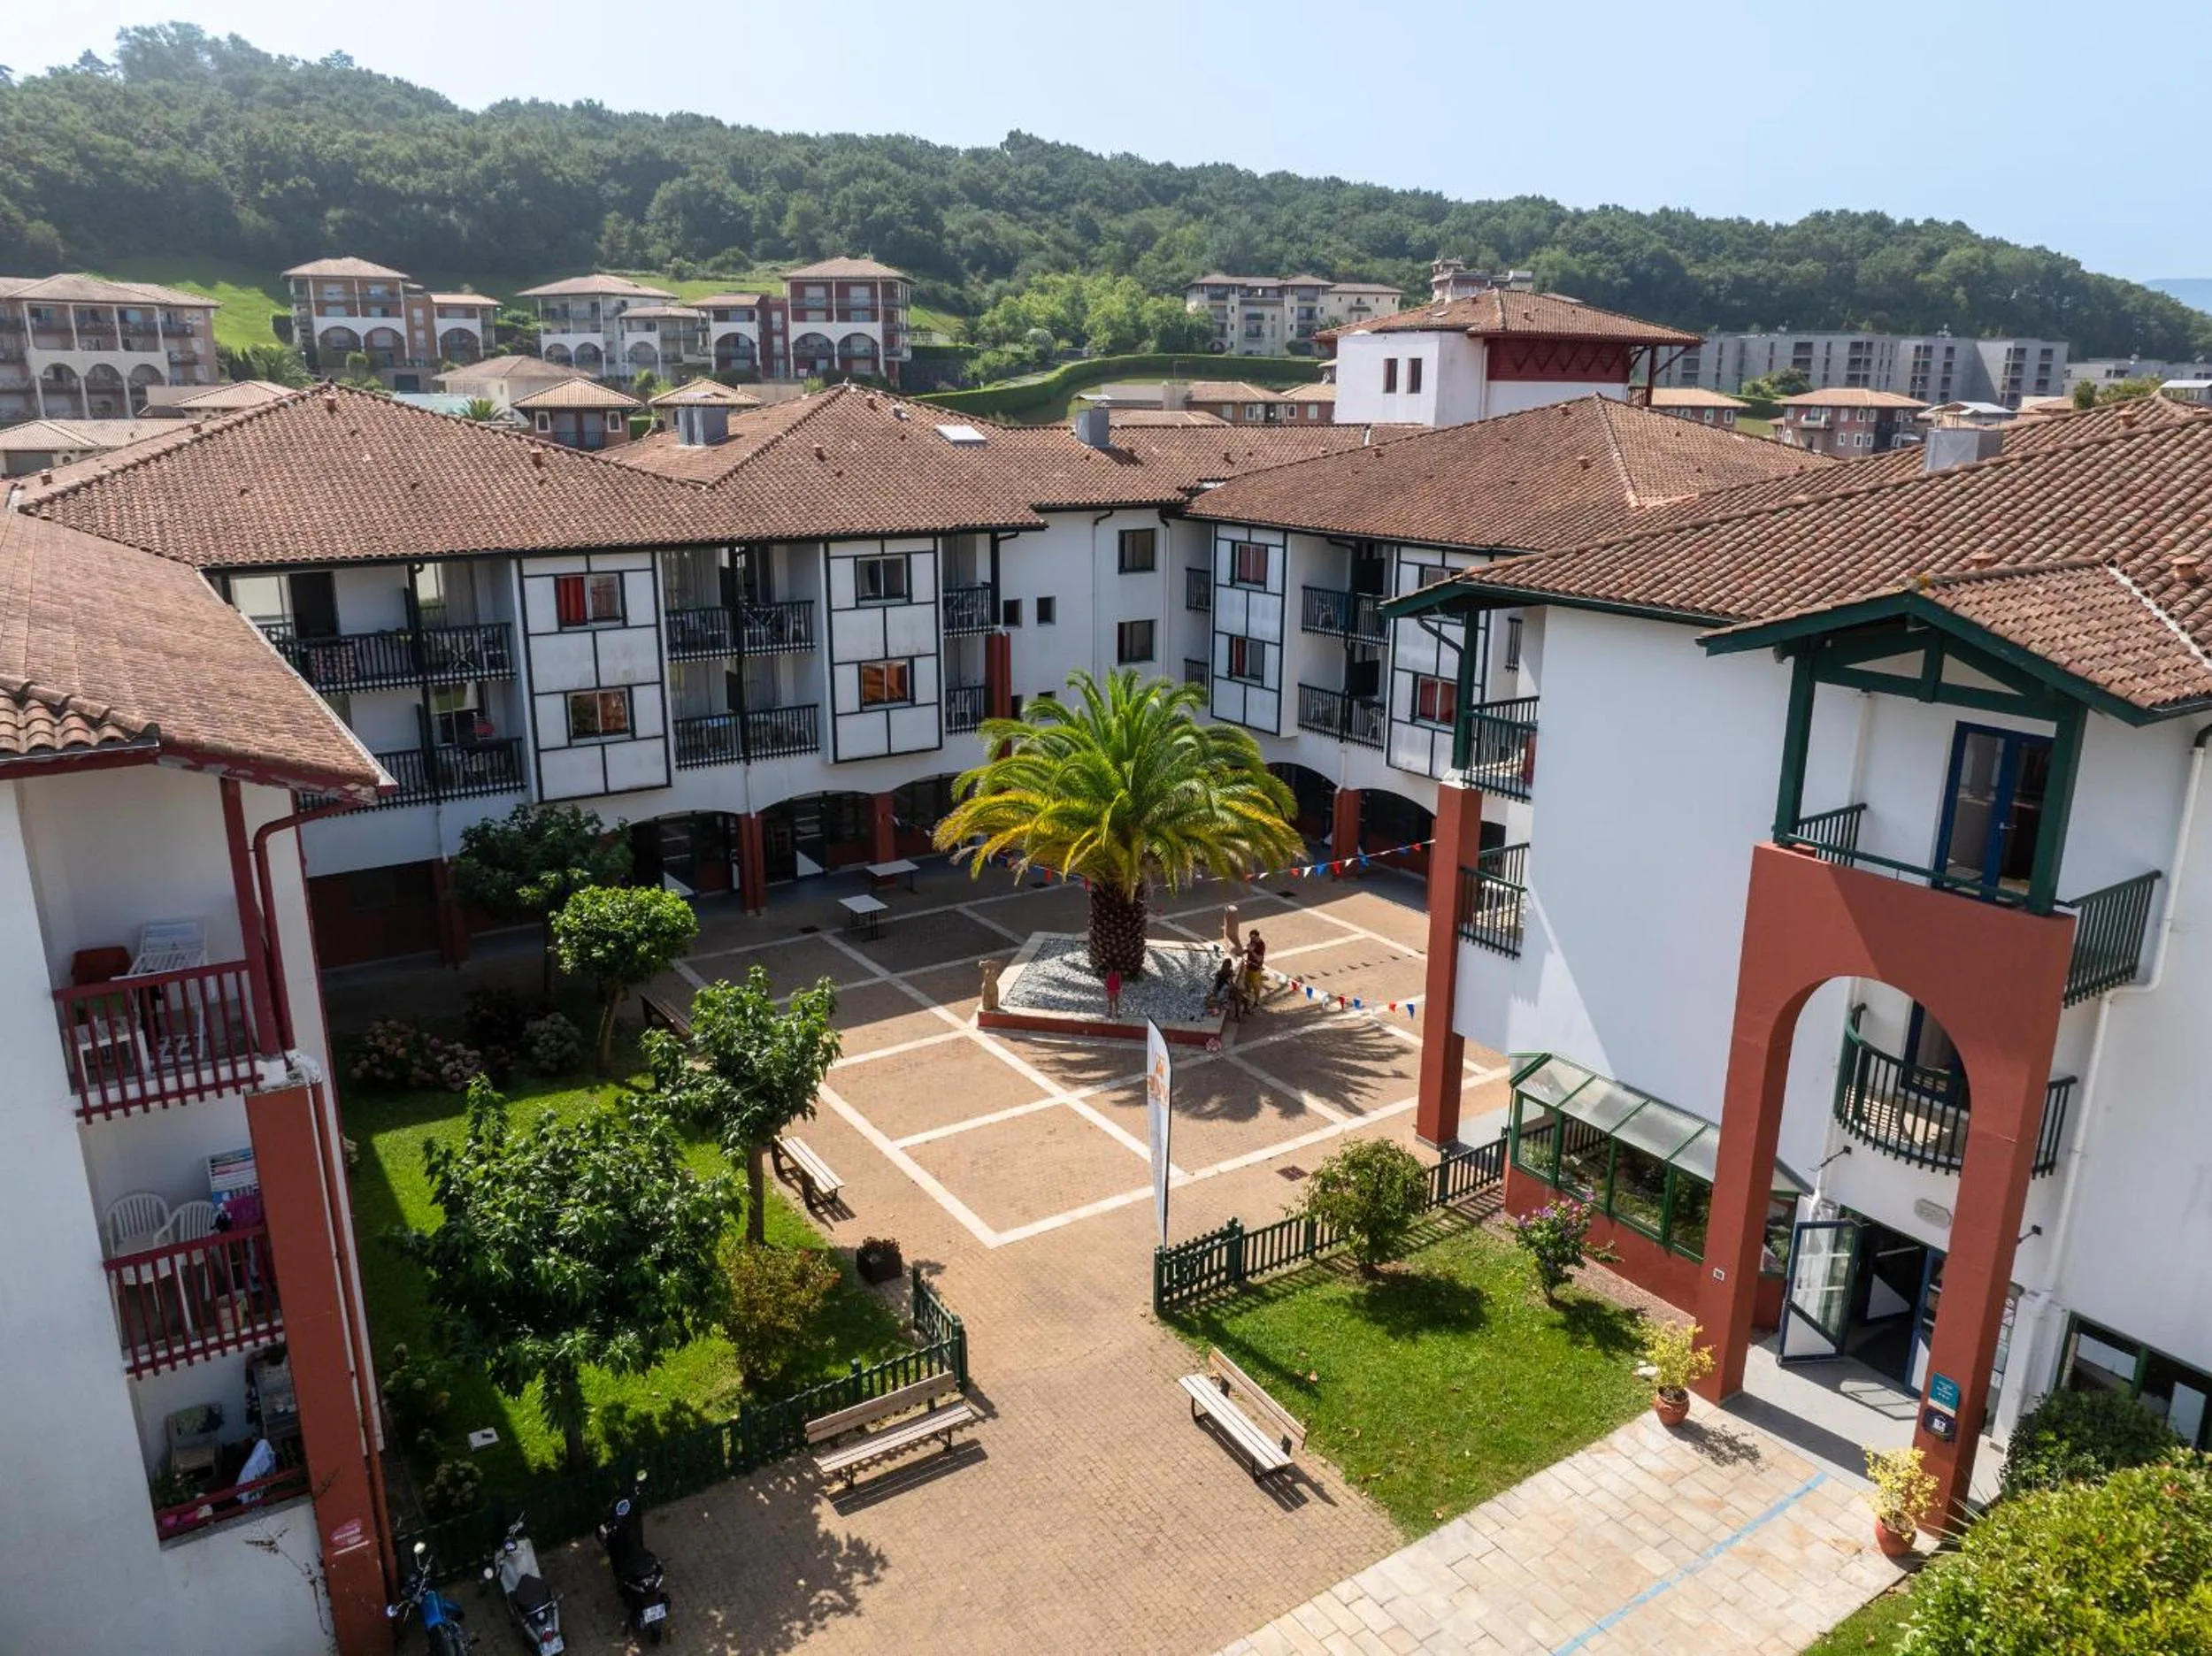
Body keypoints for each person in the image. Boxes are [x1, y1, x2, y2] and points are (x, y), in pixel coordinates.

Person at [1242, 929, 1267, 1002]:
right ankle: (1248, 996)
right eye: (1250, 938)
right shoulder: (1253, 941)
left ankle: (1257, 1000)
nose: (1251, 939)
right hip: (1249, 965)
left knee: (1255, 985)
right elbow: (1249, 949)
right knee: (1247, 982)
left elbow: (1259, 959)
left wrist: (1252, 951)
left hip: (1255, 968)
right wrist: (1244, 951)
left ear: (1257, 936)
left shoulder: (1261, 945)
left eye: (1253, 938)